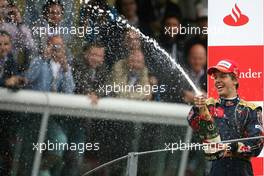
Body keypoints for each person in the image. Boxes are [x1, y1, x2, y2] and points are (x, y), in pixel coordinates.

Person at [187, 59, 263, 176]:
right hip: (216, 169)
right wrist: (198, 107)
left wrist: (233, 146)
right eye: (216, 77)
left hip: (241, 170)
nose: (217, 80)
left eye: (223, 76)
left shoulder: (250, 109)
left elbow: (257, 144)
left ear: (235, 80)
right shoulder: (209, 106)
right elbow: (193, 123)